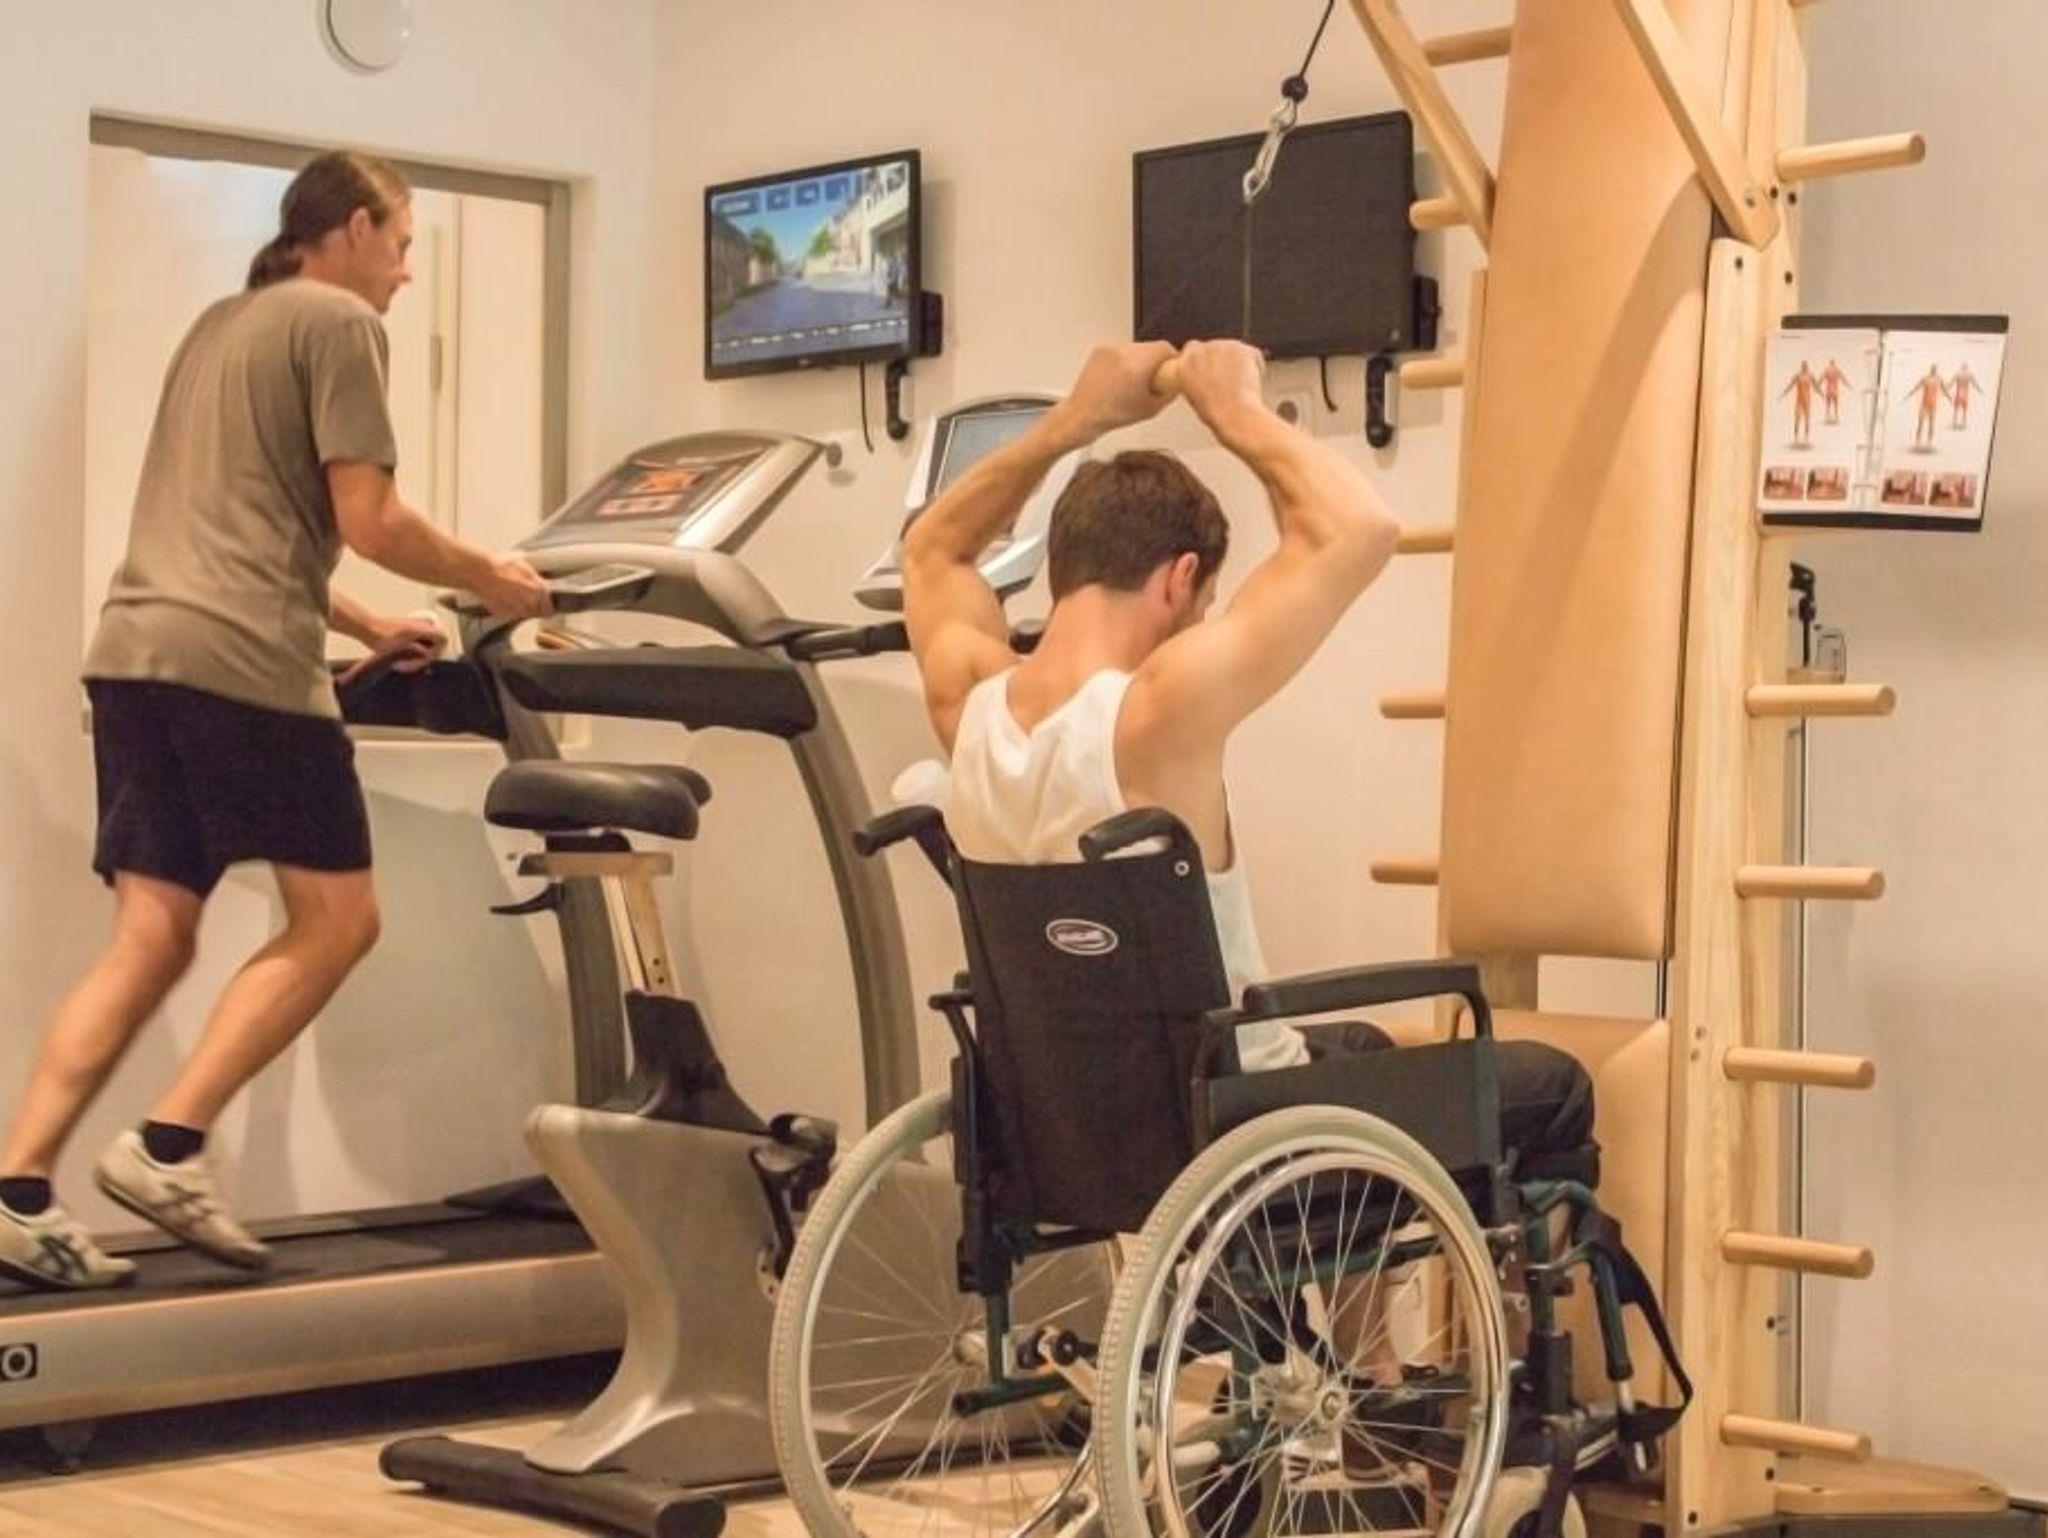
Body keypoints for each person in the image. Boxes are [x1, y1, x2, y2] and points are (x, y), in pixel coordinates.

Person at [0, 151, 553, 1292]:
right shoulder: (339, 323)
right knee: (339, 919)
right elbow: (373, 515)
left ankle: (17, 1192)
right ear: (351, 229)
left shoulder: (221, 325)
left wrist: (364, 620)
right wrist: (492, 579)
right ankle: (167, 1146)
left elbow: (242, 521)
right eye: (402, 245)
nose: (406, 272)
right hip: (241, 667)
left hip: (136, 657)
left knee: (153, 935)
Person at [902, 339, 1592, 1161]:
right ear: (1179, 578)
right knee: (1553, 1085)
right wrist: (1233, 409)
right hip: (1240, 1127)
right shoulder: (1156, 710)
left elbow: (932, 548)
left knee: (1365, 1047)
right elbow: (1359, 527)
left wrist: (1076, 420)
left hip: (1073, 1134)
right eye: (1203, 603)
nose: (1199, 621)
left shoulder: (966, 703)